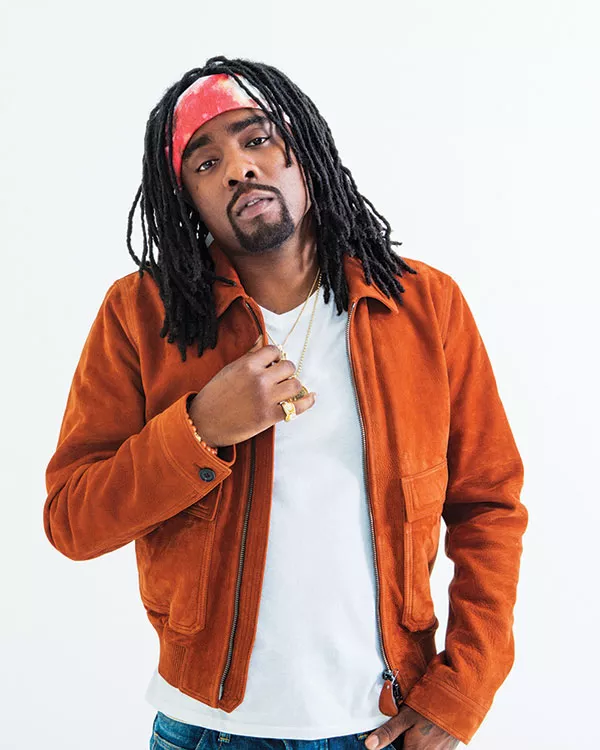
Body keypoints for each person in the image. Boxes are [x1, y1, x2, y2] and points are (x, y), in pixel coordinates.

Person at [43, 55, 528, 750]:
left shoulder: (423, 306)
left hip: (380, 723)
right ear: (185, 198)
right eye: (205, 163)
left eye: (257, 138)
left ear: (305, 148)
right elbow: (73, 520)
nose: (238, 168)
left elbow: (489, 506)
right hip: (207, 730)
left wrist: (463, 690)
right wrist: (199, 429)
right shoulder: (141, 315)